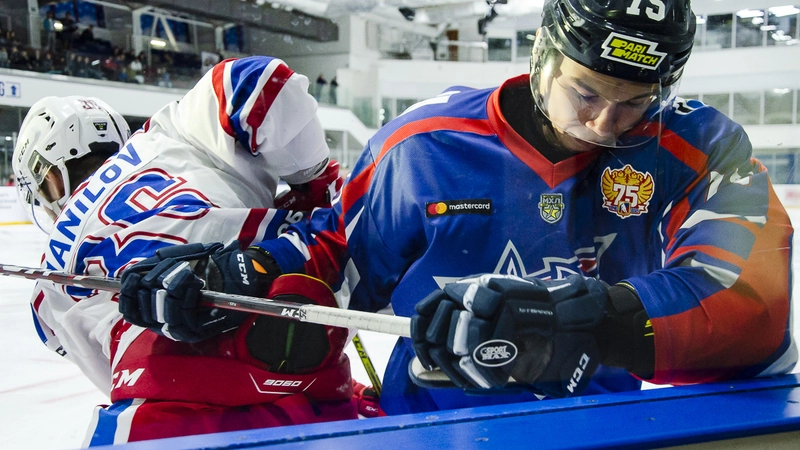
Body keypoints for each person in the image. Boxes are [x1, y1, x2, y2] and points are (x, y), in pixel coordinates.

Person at [122, 0, 796, 417]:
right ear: (542, 56)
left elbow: (750, 301)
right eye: (586, 93)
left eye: (634, 102)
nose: (605, 124)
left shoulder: (692, 146)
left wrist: (584, 324)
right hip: (431, 423)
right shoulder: (424, 145)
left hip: (602, 424)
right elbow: (339, 253)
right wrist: (239, 277)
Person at [13, 56, 358, 447]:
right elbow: (260, 81)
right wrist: (314, 184)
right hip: (306, 369)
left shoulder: (46, 291)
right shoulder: (164, 138)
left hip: (159, 419)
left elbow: (115, 374)